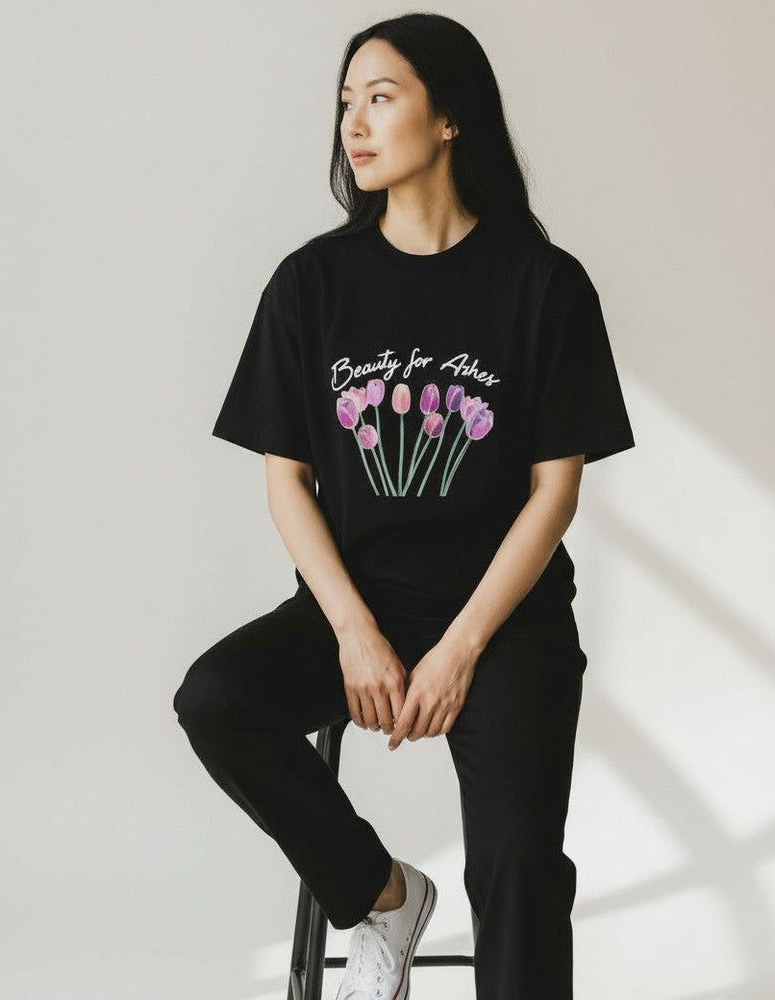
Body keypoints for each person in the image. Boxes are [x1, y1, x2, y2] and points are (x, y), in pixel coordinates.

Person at [172, 11, 635, 1000]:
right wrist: (352, 630)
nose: (354, 123)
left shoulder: (542, 287)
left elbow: (554, 492)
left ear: (450, 116)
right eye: (346, 101)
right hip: (360, 606)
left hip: (503, 623)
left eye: (381, 97)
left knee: (516, 870)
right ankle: (377, 895)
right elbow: (285, 478)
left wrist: (460, 647)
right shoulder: (312, 284)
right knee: (216, 699)